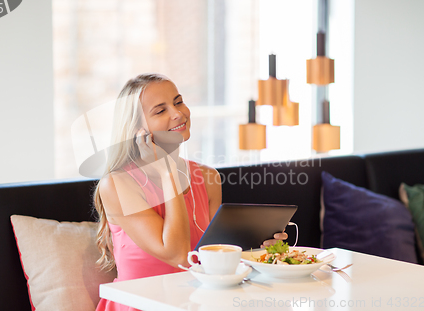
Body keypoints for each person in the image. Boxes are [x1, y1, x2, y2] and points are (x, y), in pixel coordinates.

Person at [93, 73, 287, 311]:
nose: (178, 113)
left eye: (178, 101)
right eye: (160, 111)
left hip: (199, 303)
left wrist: (255, 252)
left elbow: (213, 261)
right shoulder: (118, 184)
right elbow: (176, 255)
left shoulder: (207, 177)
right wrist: (168, 174)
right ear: (137, 131)